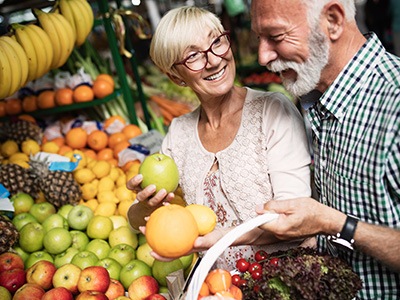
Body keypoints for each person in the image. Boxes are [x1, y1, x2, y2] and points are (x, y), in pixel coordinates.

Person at [127, 6, 311, 270]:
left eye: (216, 42)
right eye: (193, 56)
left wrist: (220, 238)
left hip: (285, 279)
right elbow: (138, 220)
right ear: (175, 76)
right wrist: (146, 205)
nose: (213, 60)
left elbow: (294, 219)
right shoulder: (179, 134)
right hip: (219, 288)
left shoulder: (271, 112)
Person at [250, 0, 400, 299]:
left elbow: (334, 221)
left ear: (332, 21)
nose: (263, 56)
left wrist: (332, 223)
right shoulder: (321, 98)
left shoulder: (394, 105)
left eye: (276, 37)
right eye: (259, 38)